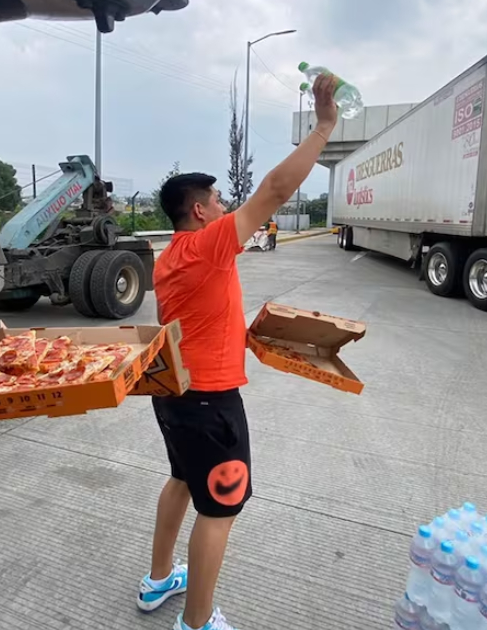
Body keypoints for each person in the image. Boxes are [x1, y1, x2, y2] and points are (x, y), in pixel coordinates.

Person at [136, 72, 339, 630]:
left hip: (174, 393)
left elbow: (197, 318)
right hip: (209, 403)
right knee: (219, 508)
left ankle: (159, 581)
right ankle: (197, 624)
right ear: (200, 211)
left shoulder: (171, 256)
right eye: (219, 200)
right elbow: (274, 191)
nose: (227, 206)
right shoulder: (208, 245)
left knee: (182, 478)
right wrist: (323, 128)